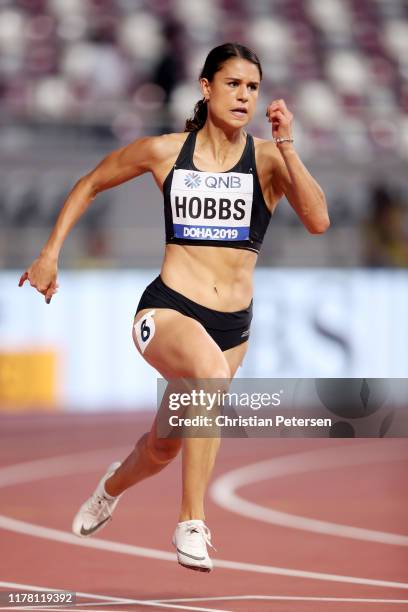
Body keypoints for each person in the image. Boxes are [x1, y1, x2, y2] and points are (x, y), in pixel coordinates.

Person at [19, 43, 329, 573]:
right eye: (233, 84)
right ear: (206, 88)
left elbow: (319, 221)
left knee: (164, 447)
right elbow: (90, 181)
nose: (244, 95)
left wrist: (289, 146)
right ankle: (191, 522)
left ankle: (110, 488)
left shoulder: (270, 159)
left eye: (252, 87)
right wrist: (50, 254)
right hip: (165, 311)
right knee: (207, 375)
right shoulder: (166, 152)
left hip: (233, 328)